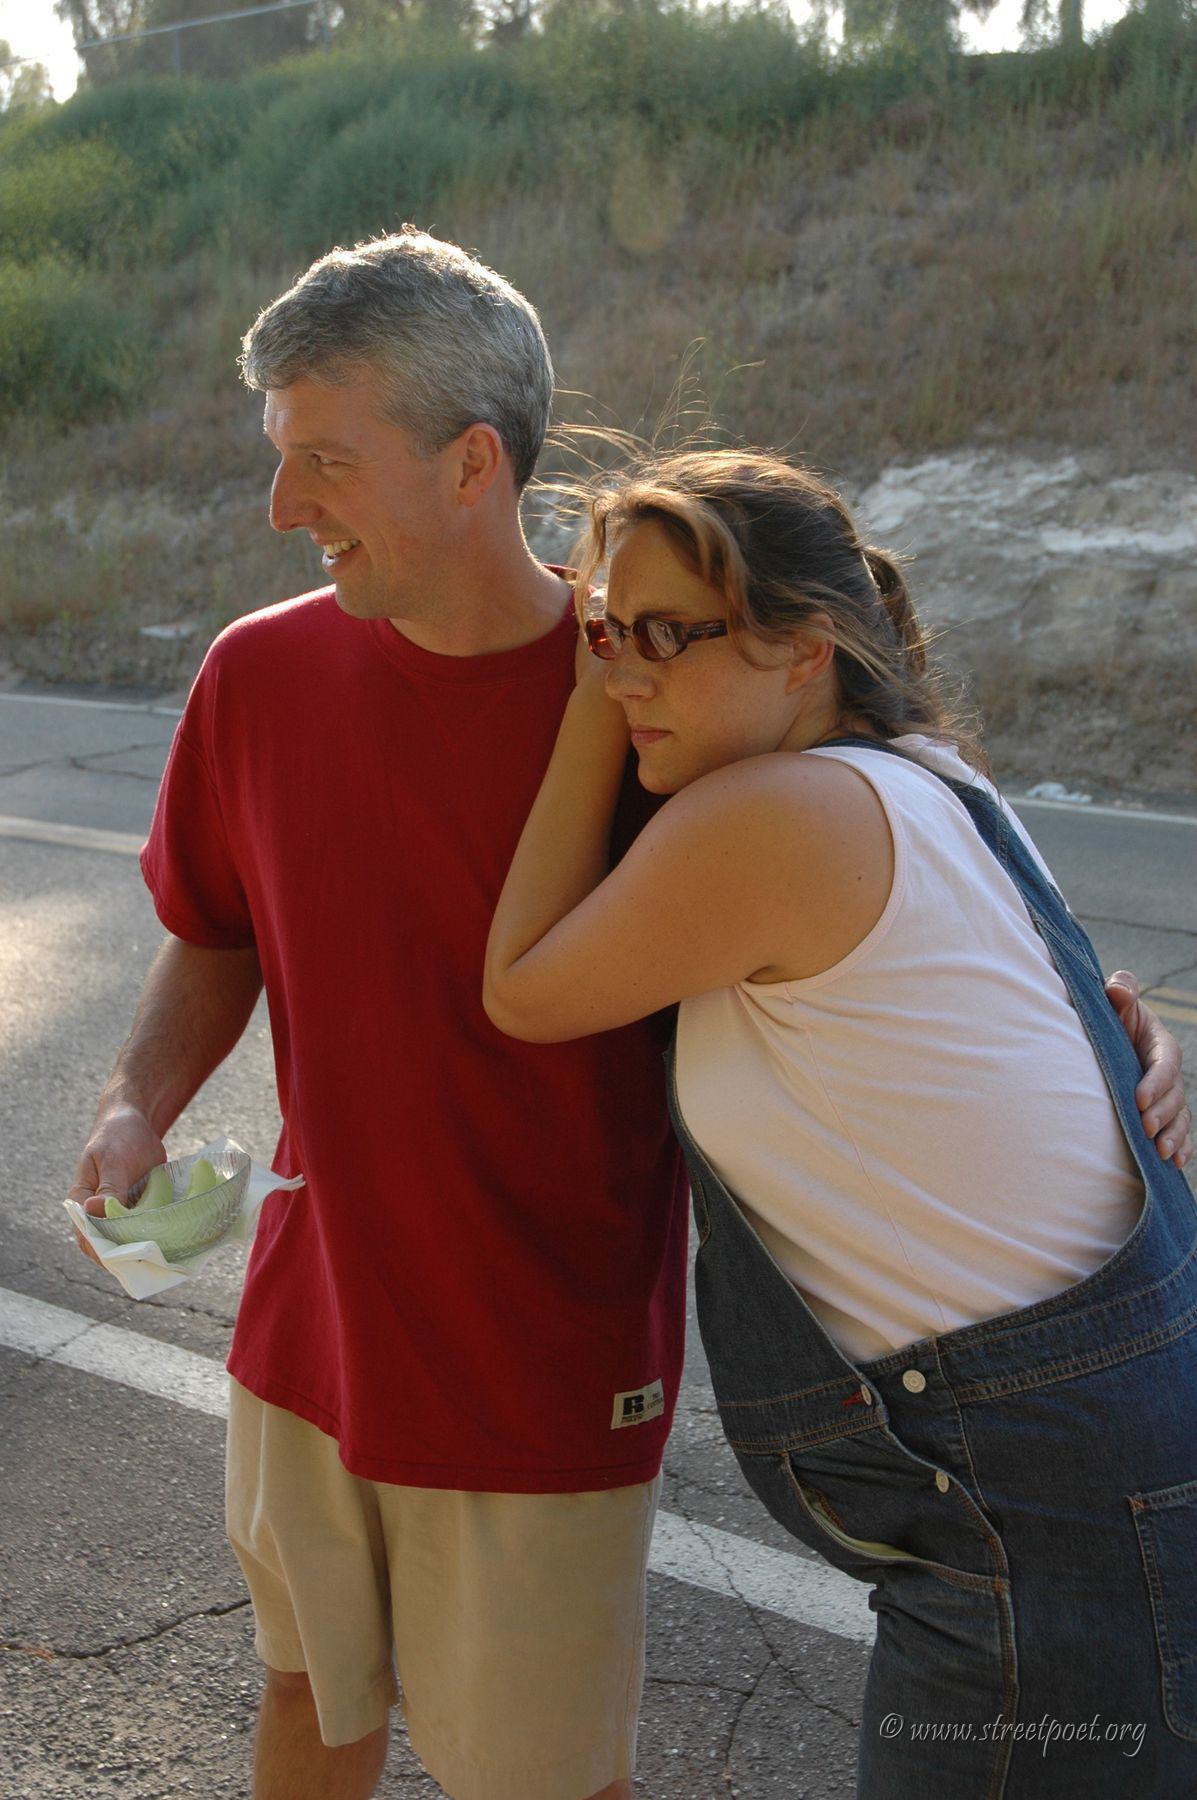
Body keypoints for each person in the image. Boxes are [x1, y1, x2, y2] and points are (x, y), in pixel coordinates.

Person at [67, 234, 1186, 1800]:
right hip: (303, 1328)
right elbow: (215, 927)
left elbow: (927, 888)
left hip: (541, 1363)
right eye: (278, 453)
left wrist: (1118, 1039)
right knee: (308, 1698)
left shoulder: (668, 710)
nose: (279, 506)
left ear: (472, 462)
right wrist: (138, 1100)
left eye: (323, 459)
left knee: (541, 1776)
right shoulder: (257, 675)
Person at [483, 447, 1197, 1796]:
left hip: (1036, 1527)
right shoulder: (930, 772)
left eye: (664, 635)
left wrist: (585, 706)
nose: (624, 671)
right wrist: (1137, 1044)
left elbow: (519, 988)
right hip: (1093, 1481)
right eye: (604, 633)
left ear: (805, 646)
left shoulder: (772, 813)